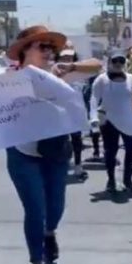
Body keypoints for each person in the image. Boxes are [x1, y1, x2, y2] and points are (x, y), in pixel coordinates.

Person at [4, 25, 102, 264]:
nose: (49, 52)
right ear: (25, 51)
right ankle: (38, 262)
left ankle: (50, 232)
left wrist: (70, 67)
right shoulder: (7, 79)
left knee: (55, 206)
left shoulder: (58, 75)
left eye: (52, 47)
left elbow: (97, 66)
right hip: (22, 154)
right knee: (35, 208)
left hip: (56, 152)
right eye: (42, 46)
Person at [90, 52, 132, 193]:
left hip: (129, 120)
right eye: (115, 61)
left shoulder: (131, 78)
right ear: (109, 62)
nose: (118, 63)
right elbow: (94, 99)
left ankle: (127, 179)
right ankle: (111, 179)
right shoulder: (101, 79)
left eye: (121, 60)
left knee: (131, 151)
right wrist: (93, 118)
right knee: (110, 152)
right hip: (109, 120)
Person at [55, 48, 90, 181]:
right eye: (64, 58)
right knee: (61, 142)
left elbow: (96, 67)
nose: (67, 60)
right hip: (60, 113)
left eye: (70, 58)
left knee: (77, 140)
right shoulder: (54, 73)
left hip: (76, 112)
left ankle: (78, 165)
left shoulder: (79, 72)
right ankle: (61, 166)